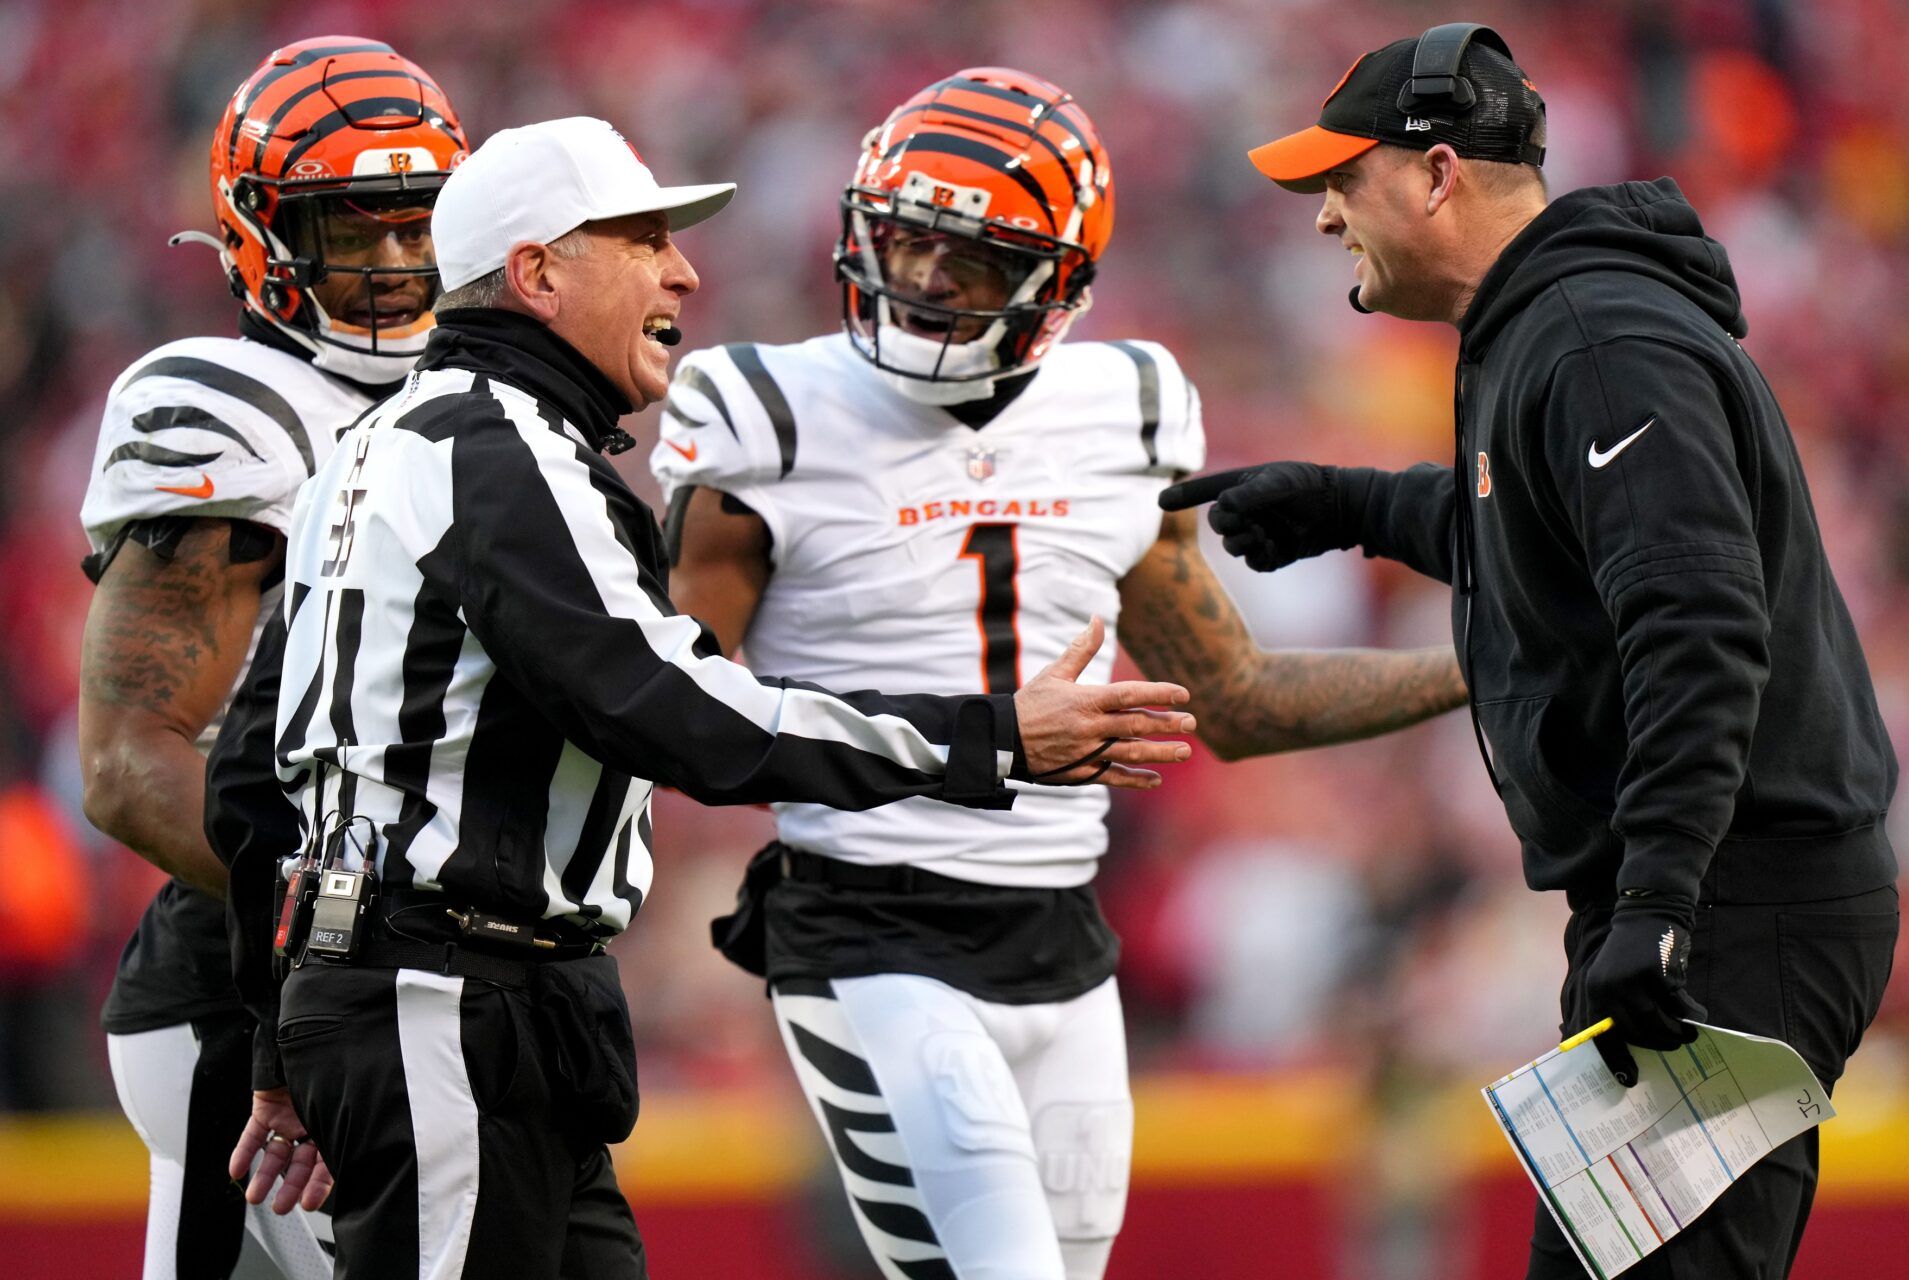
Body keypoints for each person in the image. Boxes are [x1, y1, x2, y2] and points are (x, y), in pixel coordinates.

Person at [212, 114, 1194, 1280]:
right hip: (450, 993)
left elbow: (248, 783)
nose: (684, 270)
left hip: (452, 992)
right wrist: (992, 735)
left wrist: (283, 1032)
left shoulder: (371, 448)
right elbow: (670, 706)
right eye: (643, 240)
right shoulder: (498, 445)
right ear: (538, 273)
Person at [653, 68, 1466, 1280]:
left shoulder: (1125, 407)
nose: (923, 279)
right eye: (907, 238)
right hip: (869, 924)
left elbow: (1233, 700)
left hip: (1066, 941)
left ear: (1059, 281)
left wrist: (1480, 664)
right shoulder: (763, 410)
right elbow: (677, 710)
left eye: (969, 257)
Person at [1162, 24, 1902, 1279]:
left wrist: (1662, 898)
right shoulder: (1553, 325)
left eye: (1345, 181)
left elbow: (1697, 627)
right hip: (1708, 890)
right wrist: (1352, 505)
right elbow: (1539, 533)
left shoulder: (1596, 340)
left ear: (1439, 171)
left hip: (1732, 894)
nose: (1327, 217)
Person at [75, 36, 469, 1280]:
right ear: (265, 235)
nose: (400, 266)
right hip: (248, 1006)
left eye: (421, 227)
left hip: (420, 988)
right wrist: (341, 925)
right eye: (359, 231)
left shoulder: (468, 401)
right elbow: (129, 759)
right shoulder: (237, 409)